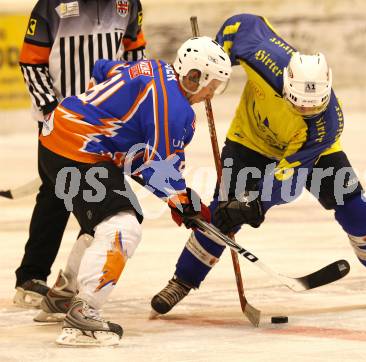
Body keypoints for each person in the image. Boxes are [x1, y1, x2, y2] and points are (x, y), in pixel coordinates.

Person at [150, 14, 366, 316]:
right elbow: (240, 24)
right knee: (223, 211)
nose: (306, 110)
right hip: (250, 140)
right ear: (285, 82)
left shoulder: (325, 125)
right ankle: (182, 281)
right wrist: (218, 55)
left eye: (314, 106)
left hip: (309, 153)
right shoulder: (261, 54)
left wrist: (255, 204)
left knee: (355, 205)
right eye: (298, 103)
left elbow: (288, 180)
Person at [33, 36, 231, 346]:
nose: (212, 93)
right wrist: (183, 201)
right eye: (212, 84)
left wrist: (95, 115)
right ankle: (84, 315)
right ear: (195, 76)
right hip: (78, 153)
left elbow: (101, 70)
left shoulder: (153, 68)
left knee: (108, 218)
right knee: (121, 227)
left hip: (59, 138)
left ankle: (63, 296)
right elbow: (158, 167)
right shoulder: (176, 108)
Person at [15, 0, 147, 308]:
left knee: (98, 200)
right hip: (60, 121)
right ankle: (34, 278)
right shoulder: (51, 5)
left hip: (105, 122)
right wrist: (52, 112)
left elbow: (134, 56)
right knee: (56, 196)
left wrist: (132, 107)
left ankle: (66, 282)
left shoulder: (129, 4)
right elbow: (31, 62)